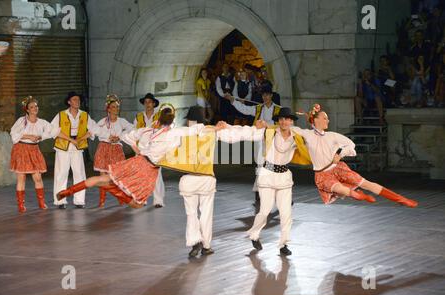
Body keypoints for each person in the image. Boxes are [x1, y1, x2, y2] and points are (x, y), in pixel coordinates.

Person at [56, 106, 222, 209]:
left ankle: (67, 191)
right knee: (138, 204)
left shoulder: (148, 130)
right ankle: (110, 189)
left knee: (104, 179)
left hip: (138, 161)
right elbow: (195, 131)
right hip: (149, 169)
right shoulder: (174, 133)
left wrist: (137, 149)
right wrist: (215, 128)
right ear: (172, 122)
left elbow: (127, 136)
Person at [166, 106, 264, 258]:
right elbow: (236, 135)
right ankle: (206, 245)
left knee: (191, 213)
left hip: (188, 179)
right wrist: (254, 129)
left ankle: (194, 242)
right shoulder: (212, 130)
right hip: (206, 178)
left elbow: (163, 143)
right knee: (206, 213)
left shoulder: (181, 133)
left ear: (188, 119)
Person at [219, 108, 309, 256]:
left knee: (286, 213)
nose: (284, 122)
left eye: (287, 119)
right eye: (281, 119)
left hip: (284, 177)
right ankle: (254, 234)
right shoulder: (269, 132)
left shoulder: (297, 136)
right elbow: (247, 132)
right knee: (265, 210)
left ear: (291, 121)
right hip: (267, 174)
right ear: (278, 121)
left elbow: (315, 139)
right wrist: (228, 127)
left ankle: (284, 244)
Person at [293, 104, 418, 208]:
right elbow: (291, 129)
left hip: (338, 168)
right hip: (322, 174)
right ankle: (356, 194)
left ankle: (400, 199)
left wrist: (339, 154)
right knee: (339, 188)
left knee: (367, 184)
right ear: (316, 120)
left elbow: (350, 145)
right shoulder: (307, 134)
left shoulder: (332, 136)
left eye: (327, 118)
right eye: (325, 118)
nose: (328, 120)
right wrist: (285, 120)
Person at [10, 96, 61, 213]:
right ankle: (21, 204)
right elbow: (13, 133)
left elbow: (53, 130)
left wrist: (41, 136)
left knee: (37, 177)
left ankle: (41, 202)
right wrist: (29, 136)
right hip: (21, 149)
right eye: (31, 107)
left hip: (34, 150)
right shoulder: (21, 121)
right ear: (27, 110)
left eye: (36, 106)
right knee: (21, 177)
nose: (34, 109)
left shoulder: (42, 122)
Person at [51, 92, 101, 209]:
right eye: (74, 100)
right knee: (61, 174)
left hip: (77, 147)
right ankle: (60, 200)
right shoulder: (61, 115)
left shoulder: (84, 115)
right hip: (63, 146)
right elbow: (54, 130)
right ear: (69, 102)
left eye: (78, 100)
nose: (77, 102)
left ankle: (79, 201)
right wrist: (70, 140)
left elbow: (94, 129)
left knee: (79, 174)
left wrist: (81, 139)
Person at [94, 94, 134, 207]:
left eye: (117, 107)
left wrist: (120, 136)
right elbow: (95, 131)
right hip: (104, 148)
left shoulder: (122, 121)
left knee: (118, 176)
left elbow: (132, 128)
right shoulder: (102, 121)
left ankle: (121, 198)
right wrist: (108, 137)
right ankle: (102, 200)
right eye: (113, 107)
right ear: (108, 109)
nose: (116, 109)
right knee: (102, 176)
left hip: (116, 149)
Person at [134, 93, 166, 208]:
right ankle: (142, 198)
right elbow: (134, 133)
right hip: (141, 149)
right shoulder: (138, 117)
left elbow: (164, 132)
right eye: (146, 102)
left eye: (150, 102)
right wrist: (136, 148)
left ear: (154, 104)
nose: (147, 104)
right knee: (142, 174)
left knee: (156, 174)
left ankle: (158, 200)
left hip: (155, 149)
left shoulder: (160, 116)